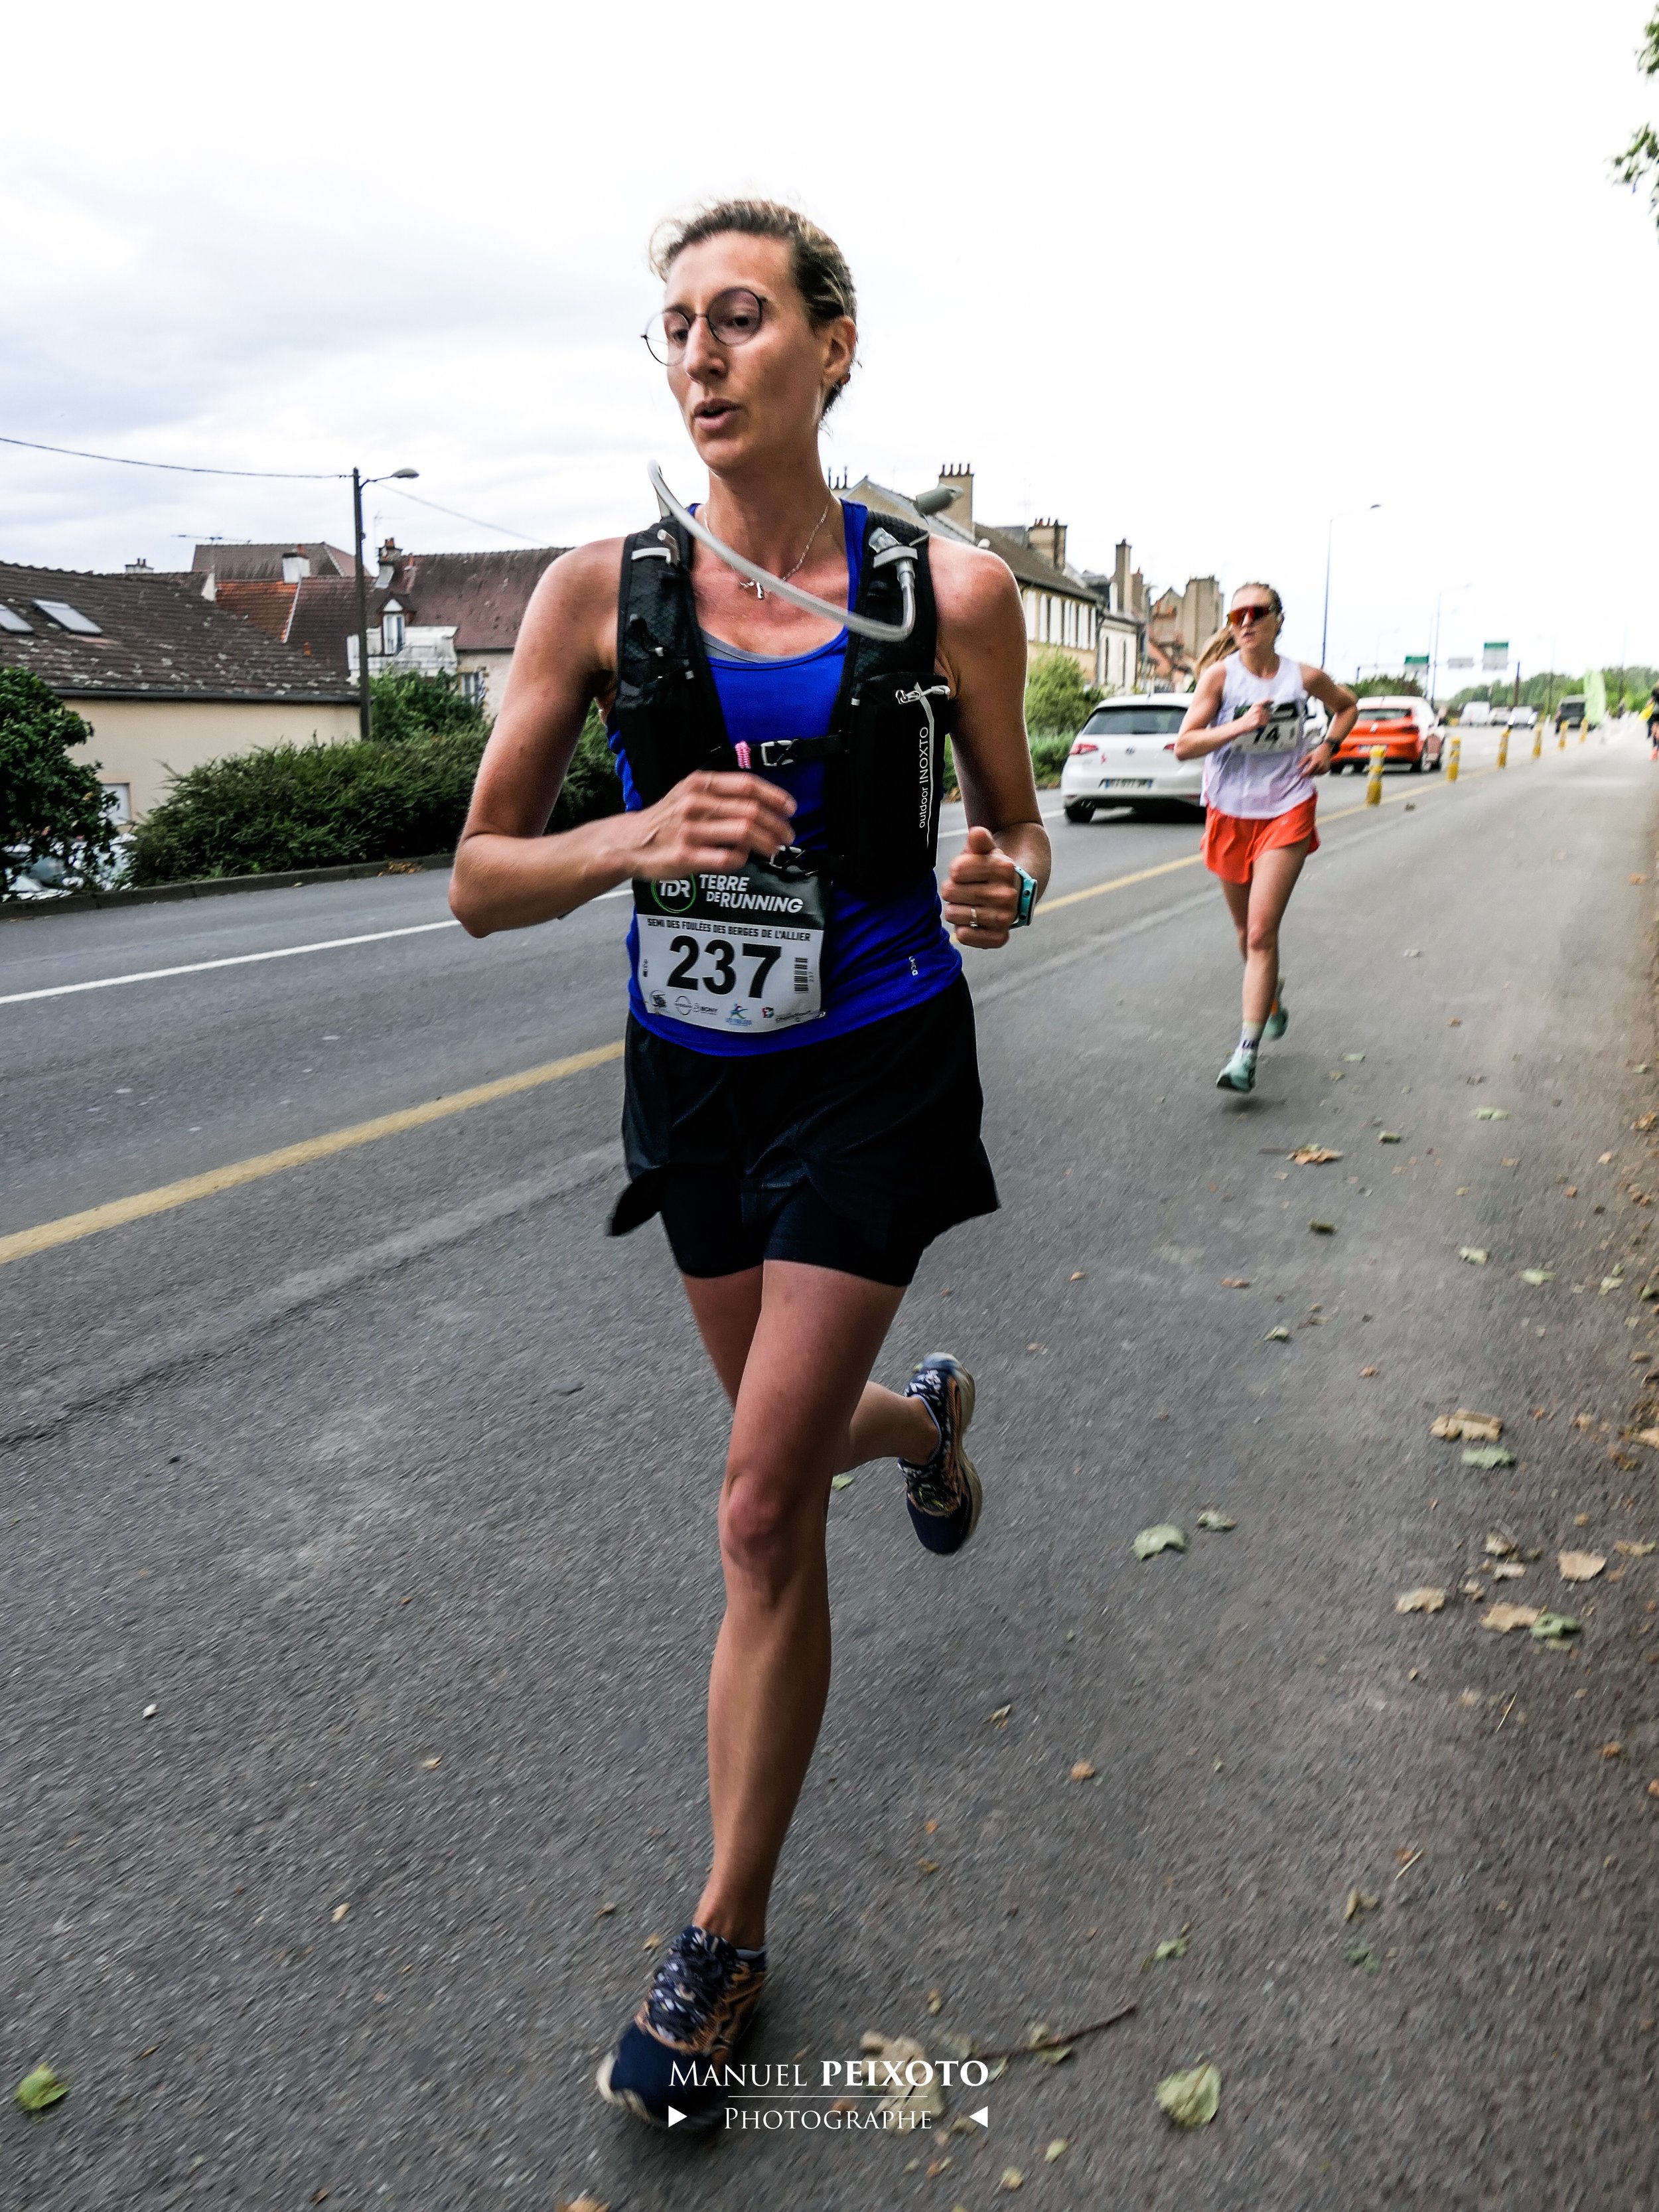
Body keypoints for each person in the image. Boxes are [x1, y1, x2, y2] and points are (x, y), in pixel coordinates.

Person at [447, 198, 1049, 2130]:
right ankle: (929, 1426)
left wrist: (992, 879)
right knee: (783, 1458)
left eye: (738, 319)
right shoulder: (590, 596)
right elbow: (477, 877)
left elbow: (1021, 837)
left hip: (869, 1063)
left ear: (832, 348)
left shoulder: (942, 596)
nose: (700, 355)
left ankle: (720, 1940)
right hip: (694, 1083)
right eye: (674, 330)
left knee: (749, 1509)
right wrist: (626, 844)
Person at [1174, 585, 1357, 1093]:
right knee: (1243, 933)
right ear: (1232, 625)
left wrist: (1328, 748)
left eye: (1258, 612)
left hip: (1287, 809)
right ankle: (1271, 999)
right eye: (1238, 614)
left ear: (1278, 620)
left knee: (1260, 933)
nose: (1247, 620)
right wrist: (1238, 727)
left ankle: (1245, 1054)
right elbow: (1185, 745)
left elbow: (1347, 706)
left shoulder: (1304, 677)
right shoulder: (1220, 678)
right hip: (1231, 813)